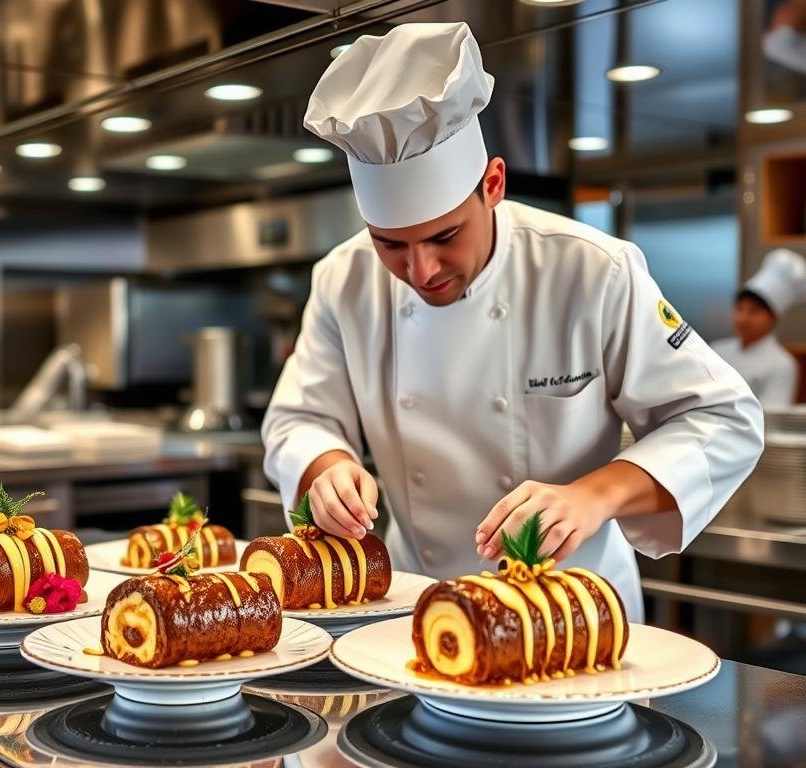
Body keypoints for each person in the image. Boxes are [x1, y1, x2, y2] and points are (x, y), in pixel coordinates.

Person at [262, 22, 764, 622]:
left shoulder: (591, 269)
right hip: (412, 611)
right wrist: (328, 466)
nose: (420, 269)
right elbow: (298, 420)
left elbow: (724, 419)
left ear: (492, 184)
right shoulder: (342, 279)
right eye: (390, 244)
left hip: (571, 612)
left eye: (444, 236)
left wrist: (591, 495)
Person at [712, 248, 806, 407]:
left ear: (773, 318)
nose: (742, 318)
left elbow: (770, 416)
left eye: (753, 311)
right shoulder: (717, 350)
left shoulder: (782, 364)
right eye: (739, 308)